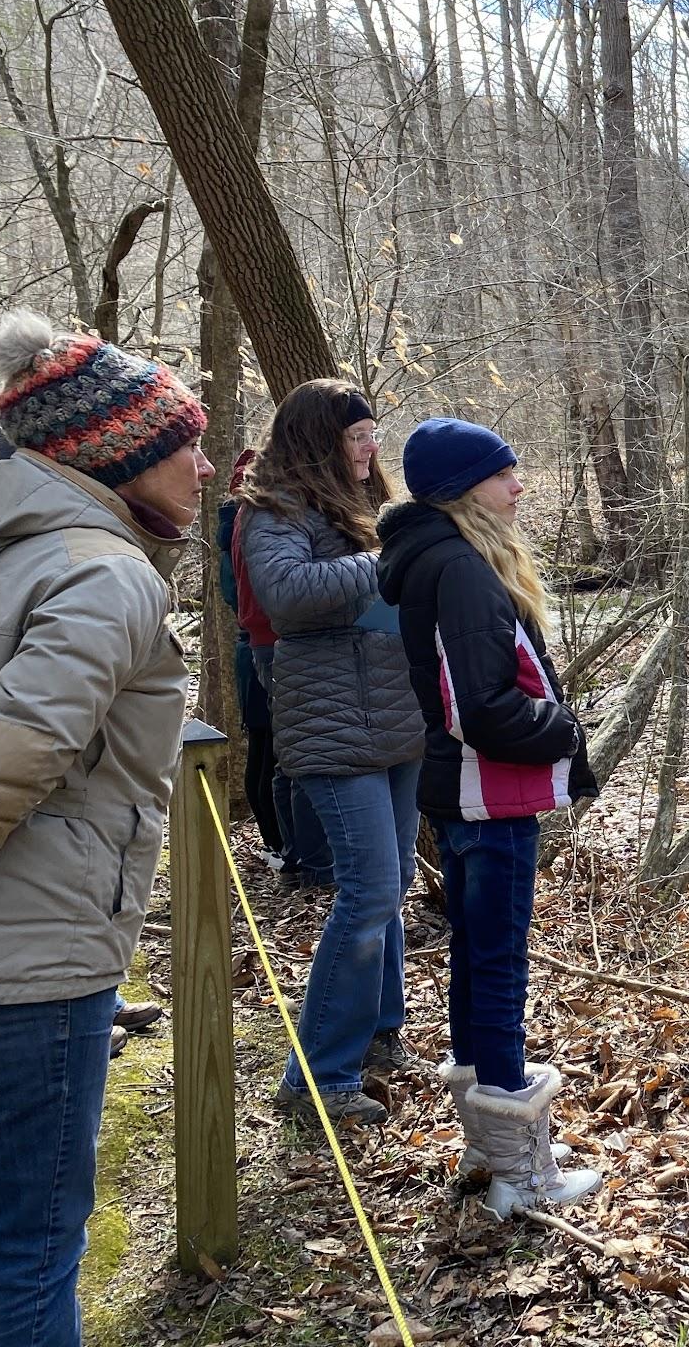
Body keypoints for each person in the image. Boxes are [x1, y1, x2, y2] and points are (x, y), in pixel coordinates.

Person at [0, 312, 213, 1346]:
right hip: (27, 978)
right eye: (187, 443)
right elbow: (1, 764)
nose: (206, 467)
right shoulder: (101, 572)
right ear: (117, 449)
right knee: (22, 1259)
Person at [378, 418, 601, 1216]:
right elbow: (482, 707)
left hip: (463, 792)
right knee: (498, 969)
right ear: (465, 486)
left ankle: (489, 1149)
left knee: (477, 964)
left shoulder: (433, 560)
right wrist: (568, 729)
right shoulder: (464, 569)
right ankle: (523, 1178)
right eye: (504, 474)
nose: (518, 485)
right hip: (489, 793)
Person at [238, 380, 424, 1126]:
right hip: (332, 725)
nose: (370, 446)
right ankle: (316, 1078)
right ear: (320, 440)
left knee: (398, 878)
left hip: (396, 719)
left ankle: (379, 1032)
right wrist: (386, 562)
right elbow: (284, 593)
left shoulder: (367, 507)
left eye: (374, 433)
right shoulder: (273, 508)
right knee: (370, 888)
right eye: (356, 436)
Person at [221, 448, 333, 887]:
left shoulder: (248, 516)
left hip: (263, 641)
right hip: (270, 642)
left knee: (280, 754)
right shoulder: (260, 518)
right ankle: (298, 858)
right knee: (286, 757)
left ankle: (292, 854)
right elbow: (259, 592)